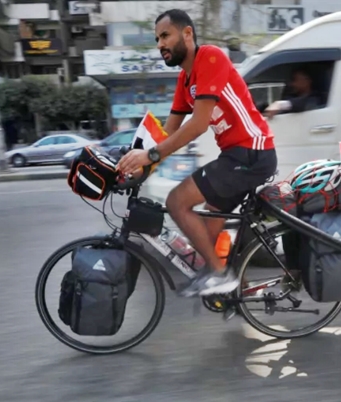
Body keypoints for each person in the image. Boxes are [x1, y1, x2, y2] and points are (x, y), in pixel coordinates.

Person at [117, 9, 277, 297]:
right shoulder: (185, 80)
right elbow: (169, 132)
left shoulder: (211, 57)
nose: (159, 45)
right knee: (205, 235)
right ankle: (237, 291)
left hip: (251, 154)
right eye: (156, 39)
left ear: (187, 34)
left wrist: (152, 157)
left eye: (165, 35)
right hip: (235, 156)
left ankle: (220, 276)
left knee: (177, 202)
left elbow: (199, 124)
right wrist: (140, 164)